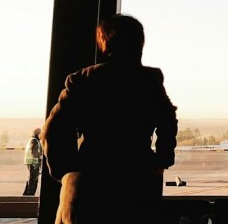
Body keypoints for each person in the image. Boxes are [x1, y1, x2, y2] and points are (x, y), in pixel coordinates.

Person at [42, 14, 179, 224]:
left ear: (103, 42)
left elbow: (52, 132)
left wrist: (69, 170)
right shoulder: (149, 80)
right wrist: (160, 160)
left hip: (88, 183)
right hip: (136, 182)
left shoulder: (81, 80)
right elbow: (168, 121)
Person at [22, 127, 43, 196]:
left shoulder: (33, 140)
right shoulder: (34, 140)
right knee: (33, 178)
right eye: (39, 133)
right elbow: (33, 151)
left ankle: (26, 193)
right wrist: (40, 156)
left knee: (32, 177)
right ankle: (30, 193)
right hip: (33, 162)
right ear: (37, 134)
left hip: (31, 161)